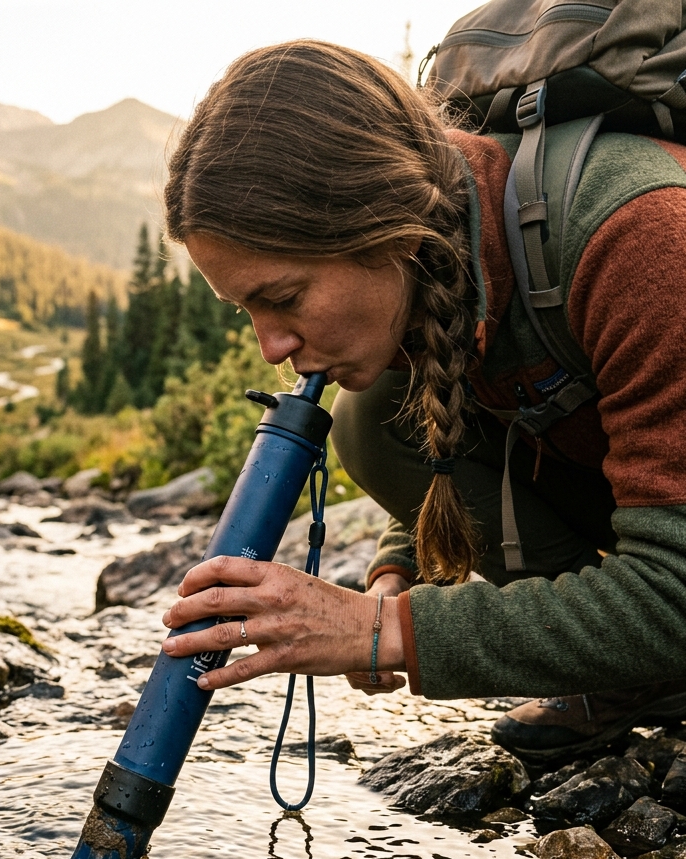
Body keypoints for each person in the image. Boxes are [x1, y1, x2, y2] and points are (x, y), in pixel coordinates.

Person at [155, 40, 686, 766]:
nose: (270, 346)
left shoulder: (645, 238)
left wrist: (385, 630)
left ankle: (644, 657)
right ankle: (637, 676)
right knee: (372, 421)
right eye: (244, 310)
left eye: (282, 299)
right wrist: (397, 568)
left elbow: (682, 592)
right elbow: (450, 407)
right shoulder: (440, 257)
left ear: (386, 225)